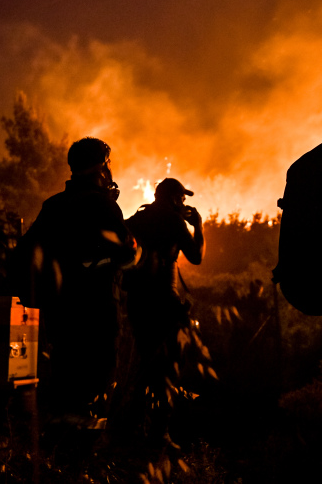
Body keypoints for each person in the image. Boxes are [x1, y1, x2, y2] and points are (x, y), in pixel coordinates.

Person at [17, 137, 136, 427]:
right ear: (101, 167)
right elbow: (126, 255)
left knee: (65, 378)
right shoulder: (102, 205)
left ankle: (59, 453)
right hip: (96, 309)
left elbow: (28, 252)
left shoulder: (53, 206)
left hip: (60, 311)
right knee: (96, 381)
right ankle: (79, 454)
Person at [122, 177, 204, 440]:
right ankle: (160, 433)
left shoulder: (137, 219)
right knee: (166, 368)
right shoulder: (174, 221)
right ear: (173, 198)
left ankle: (131, 427)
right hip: (164, 303)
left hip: (137, 301)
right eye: (181, 198)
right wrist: (198, 225)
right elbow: (196, 256)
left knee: (144, 363)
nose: (183, 203)